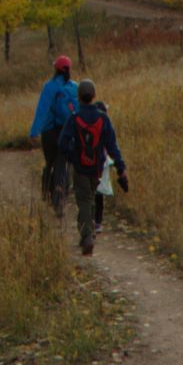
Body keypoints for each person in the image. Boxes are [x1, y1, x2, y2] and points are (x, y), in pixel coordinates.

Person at [57, 77, 128, 256]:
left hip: (80, 166)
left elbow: (63, 143)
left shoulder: (74, 118)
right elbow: (112, 145)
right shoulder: (103, 118)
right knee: (91, 197)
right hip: (97, 166)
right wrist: (121, 166)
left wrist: (73, 156)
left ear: (79, 97)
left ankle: (87, 235)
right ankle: (88, 233)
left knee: (84, 201)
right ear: (94, 95)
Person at [29, 54, 78, 205]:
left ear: (55, 69)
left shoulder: (49, 87)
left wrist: (34, 132)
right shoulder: (75, 87)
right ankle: (60, 195)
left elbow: (42, 110)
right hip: (67, 132)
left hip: (49, 132)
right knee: (62, 164)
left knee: (50, 163)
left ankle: (47, 193)